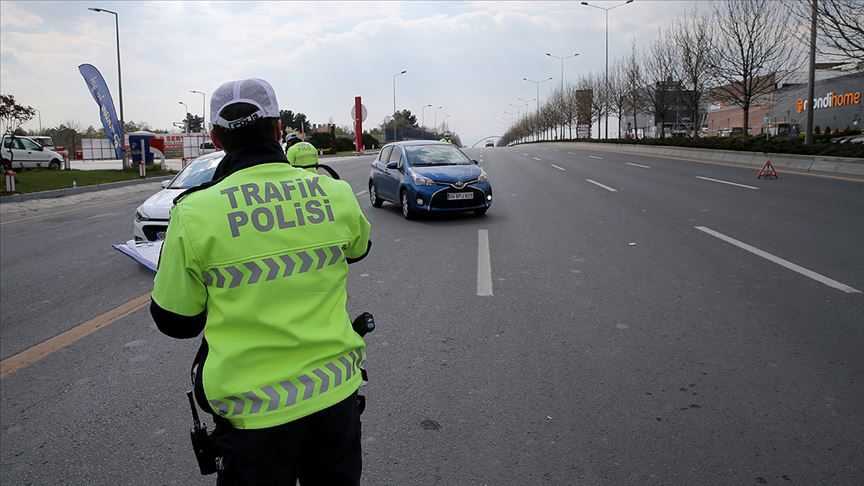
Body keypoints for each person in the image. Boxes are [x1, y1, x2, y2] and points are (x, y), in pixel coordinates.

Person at [150, 78, 372, 485]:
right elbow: (359, 249)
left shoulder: (195, 212)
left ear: (216, 139)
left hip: (253, 416)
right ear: (277, 128)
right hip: (336, 394)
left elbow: (176, 321)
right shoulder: (334, 192)